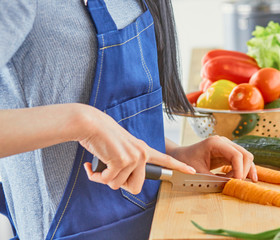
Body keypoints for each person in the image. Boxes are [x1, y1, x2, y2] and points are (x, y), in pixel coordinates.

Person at [0, 0, 257, 239]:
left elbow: (113, 113)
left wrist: (173, 155)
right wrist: (82, 122)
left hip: (158, 223)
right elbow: (89, 123)